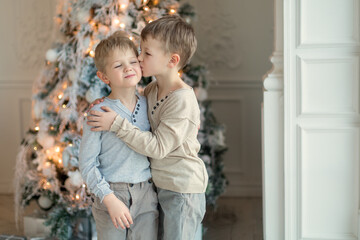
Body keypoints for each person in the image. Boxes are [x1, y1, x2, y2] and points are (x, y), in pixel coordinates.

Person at [87, 15, 208, 240]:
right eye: (140, 51)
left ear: (172, 61)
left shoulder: (181, 99)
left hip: (182, 189)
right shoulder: (152, 90)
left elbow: (158, 148)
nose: (139, 57)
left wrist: (115, 124)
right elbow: (131, 103)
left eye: (146, 53)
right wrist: (105, 104)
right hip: (160, 186)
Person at [79, 31, 158, 240]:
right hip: (111, 194)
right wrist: (109, 199)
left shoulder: (150, 104)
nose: (128, 67)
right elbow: (87, 164)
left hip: (147, 194)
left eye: (132, 61)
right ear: (104, 77)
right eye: (118, 65)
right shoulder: (98, 112)